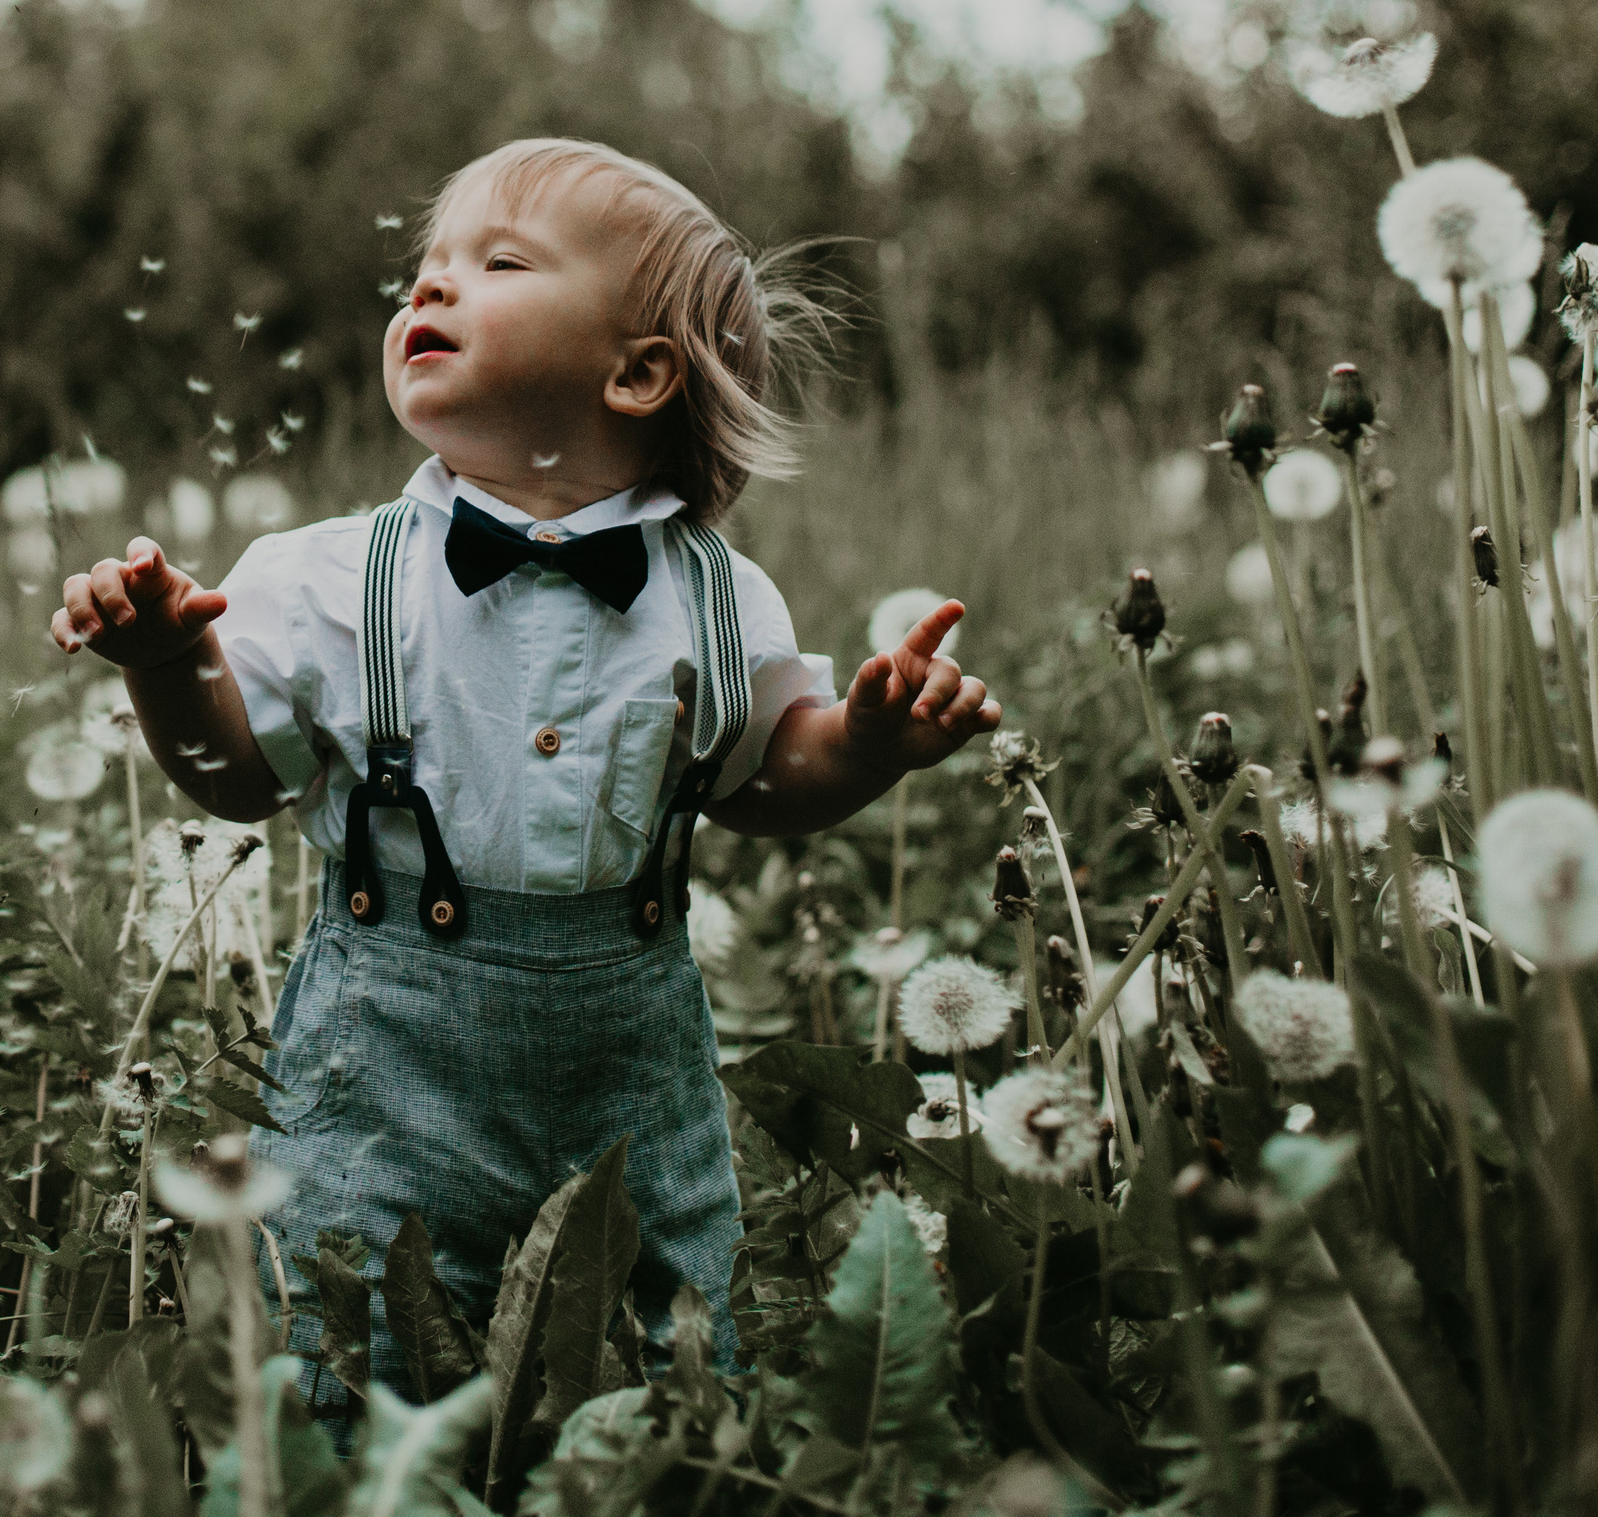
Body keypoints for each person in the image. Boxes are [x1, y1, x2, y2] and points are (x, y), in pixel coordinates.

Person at [52, 137, 998, 1443]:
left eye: (497, 263)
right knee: (346, 1322)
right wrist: (168, 663)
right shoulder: (327, 580)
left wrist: (865, 744)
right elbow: (234, 780)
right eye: (426, 266)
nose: (431, 287)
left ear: (638, 373)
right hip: (384, 1066)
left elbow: (759, 781)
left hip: (634, 1071)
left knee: (667, 1339)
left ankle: (650, 1460)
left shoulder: (723, 598)